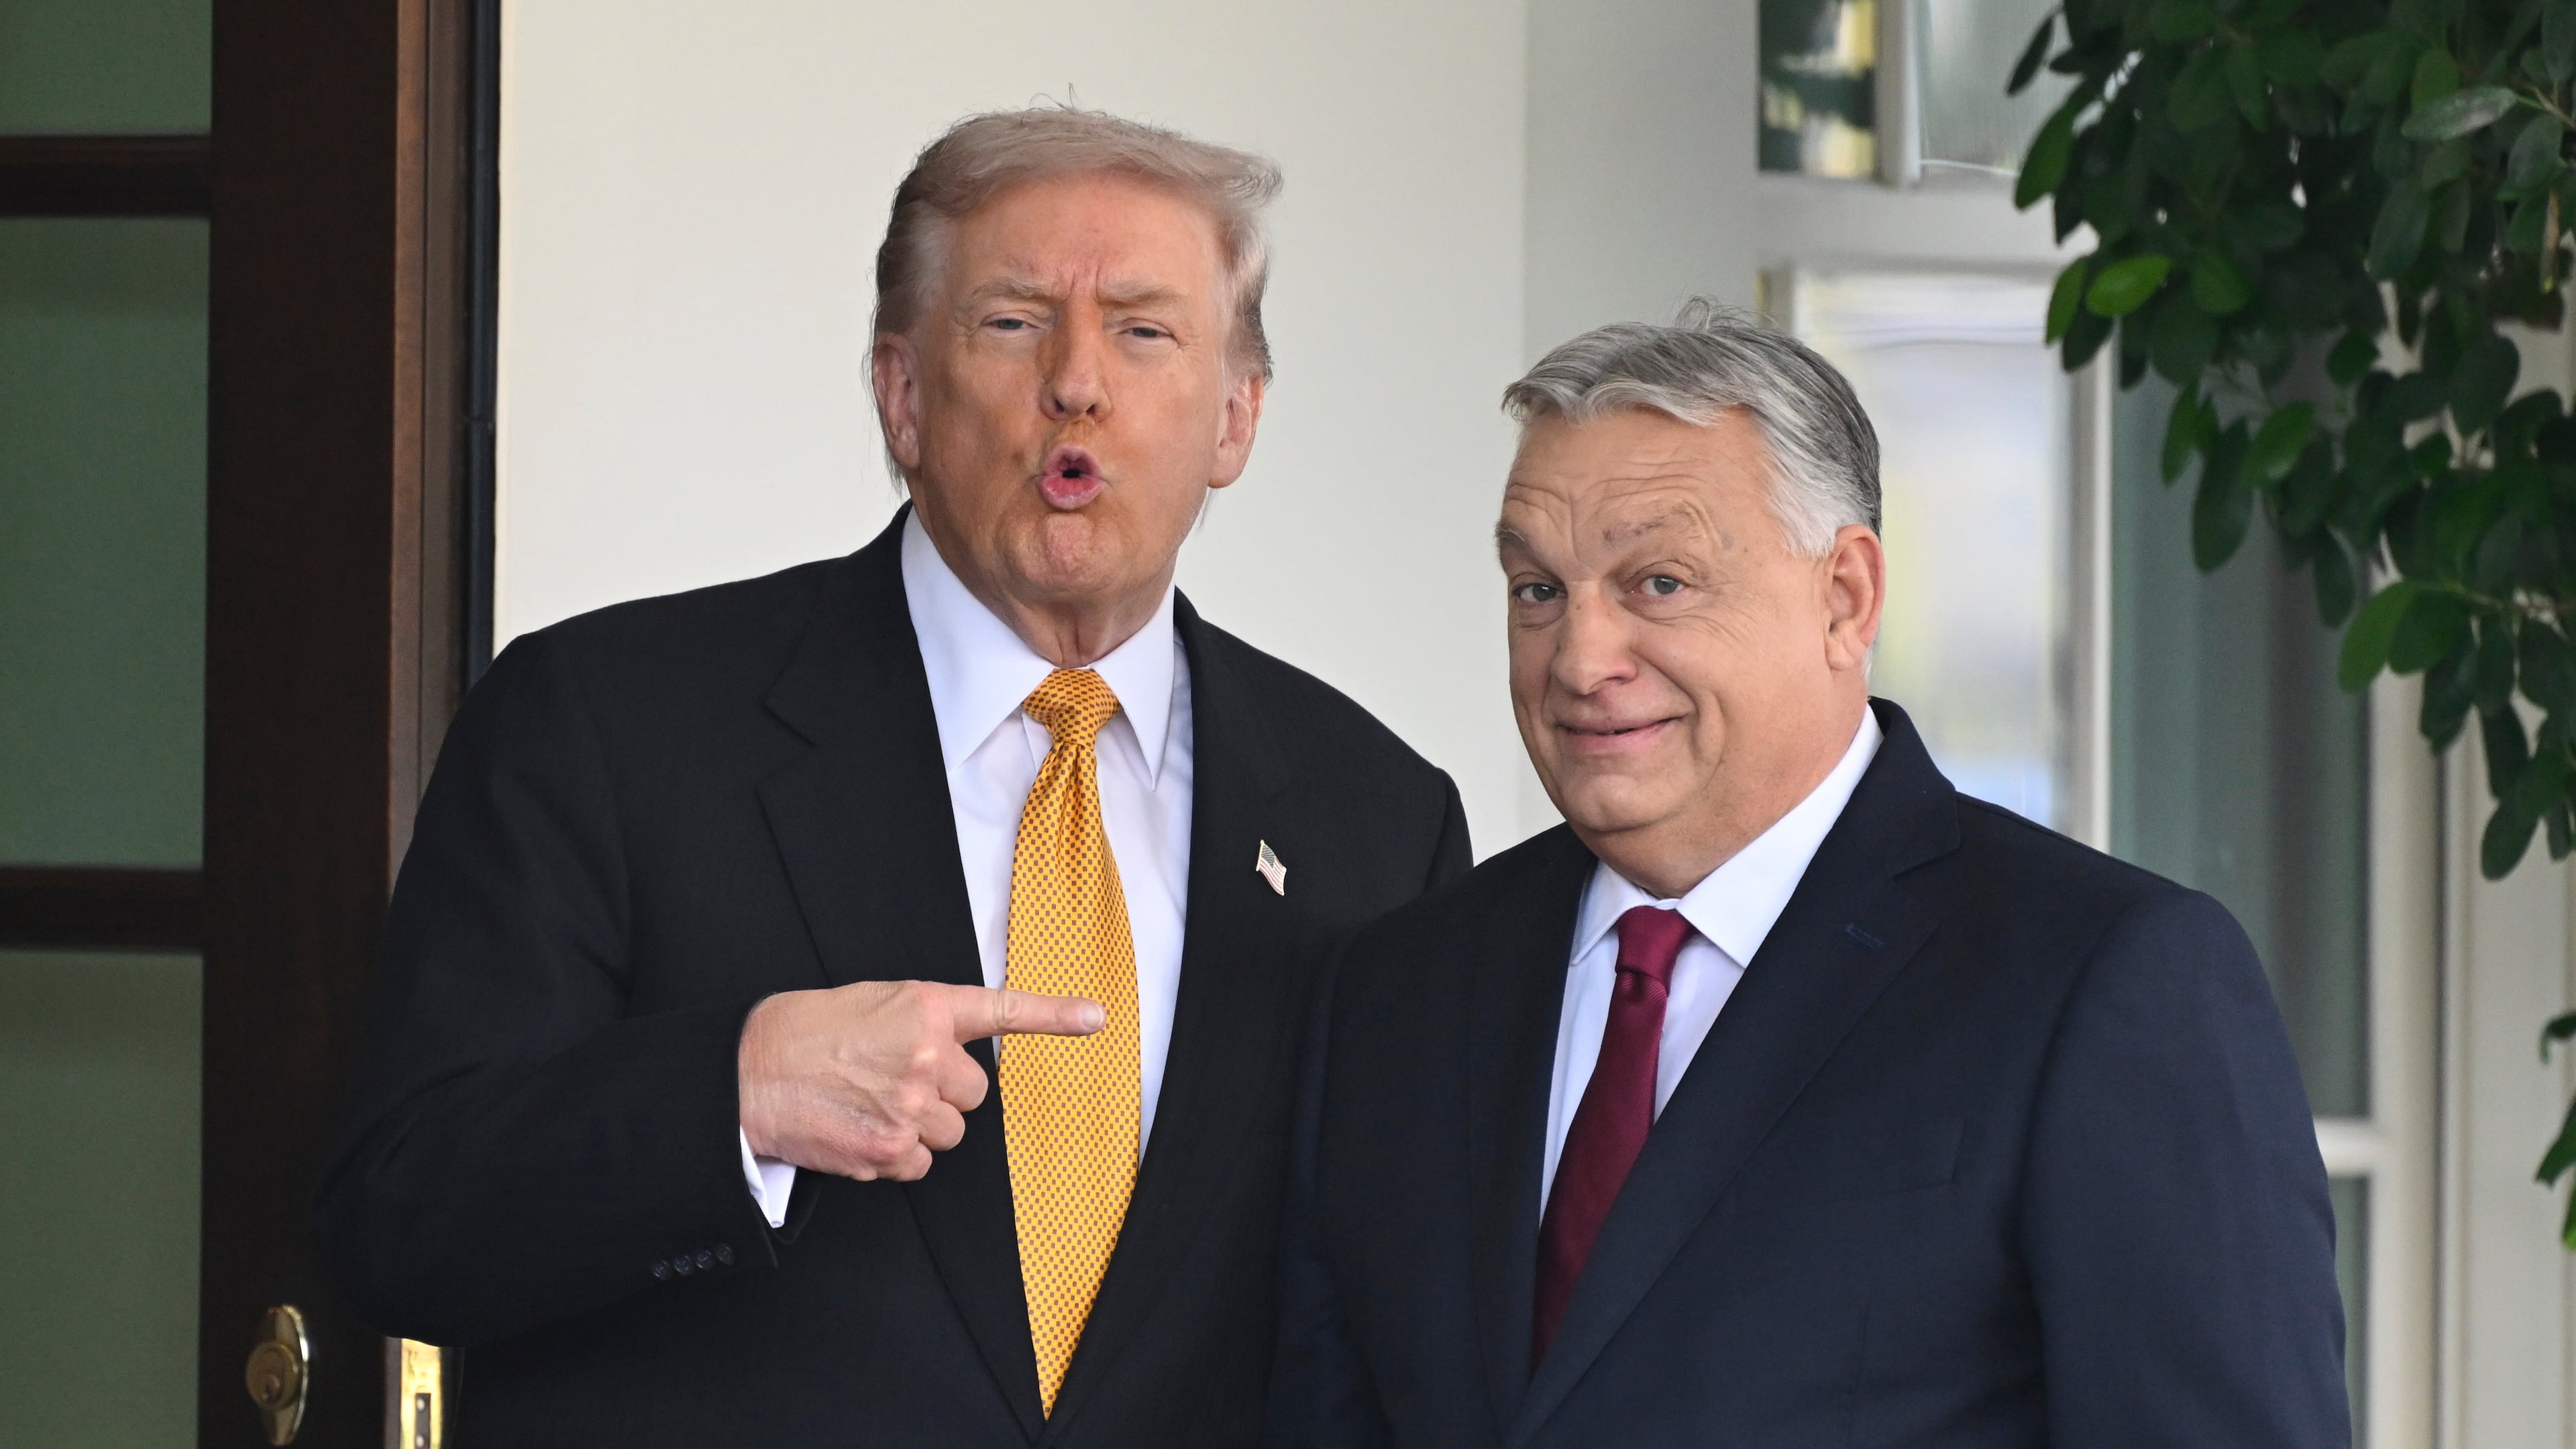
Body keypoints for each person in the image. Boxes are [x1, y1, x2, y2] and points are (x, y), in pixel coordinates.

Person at [315, 107, 1469, 1448]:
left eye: (1145, 330)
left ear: (1236, 419)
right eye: (1013, 322)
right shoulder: (605, 721)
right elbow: (400, 1217)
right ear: (902, 397)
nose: (1078, 382)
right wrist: (730, 1097)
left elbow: (1399, 1334)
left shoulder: (1380, 819)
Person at [1268, 304, 2347, 1448]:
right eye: (1539, 591)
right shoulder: (1401, 991)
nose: (1580, 661)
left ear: (1846, 598)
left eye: (1659, 584)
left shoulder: (2107, 980)